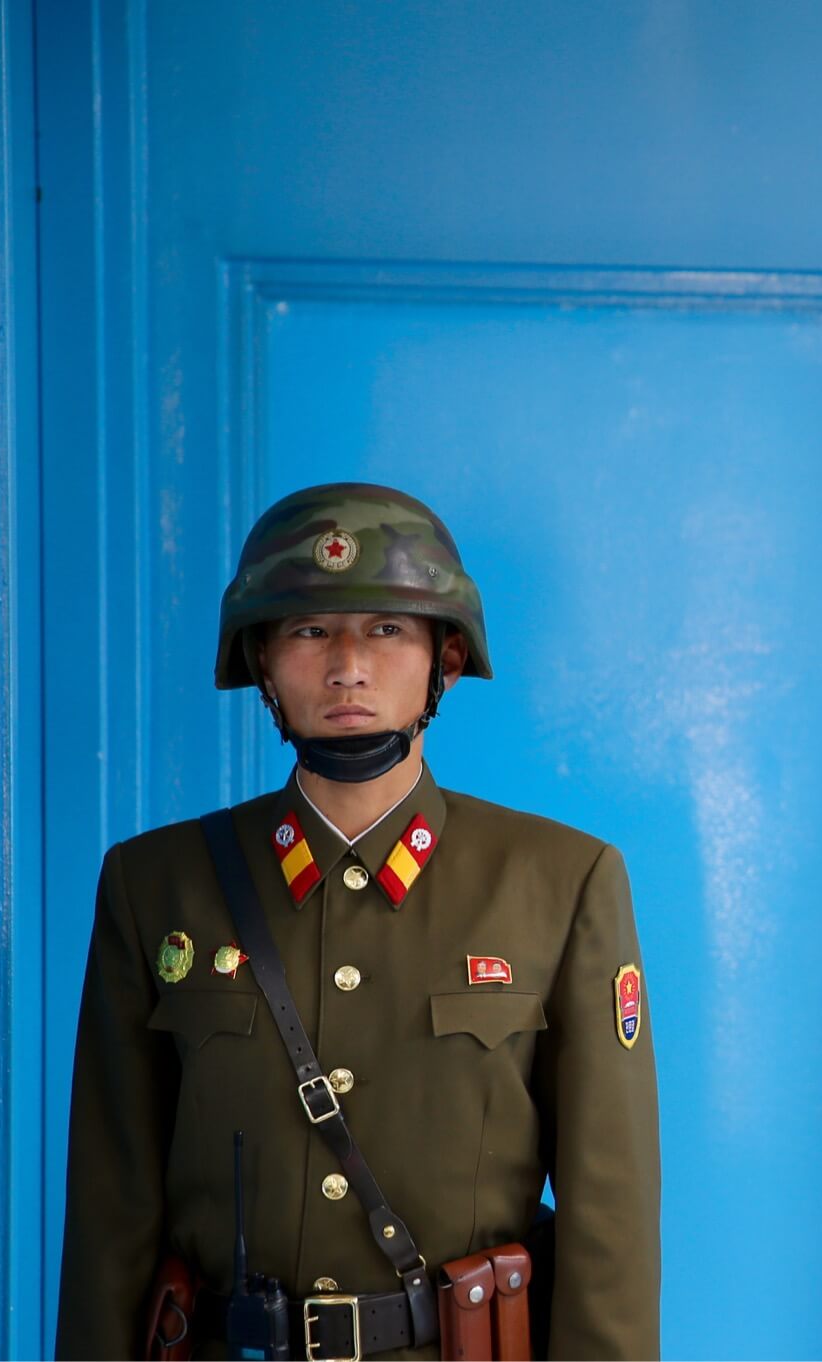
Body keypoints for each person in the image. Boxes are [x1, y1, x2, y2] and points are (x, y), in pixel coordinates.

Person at [56, 483, 660, 1359]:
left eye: (386, 629)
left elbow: (613, 1217)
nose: (348, 665)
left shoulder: (561, 882)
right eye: (308, 631)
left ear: (444, 659)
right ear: (263, 661)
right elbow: (111, 1211)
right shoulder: (157, 886)